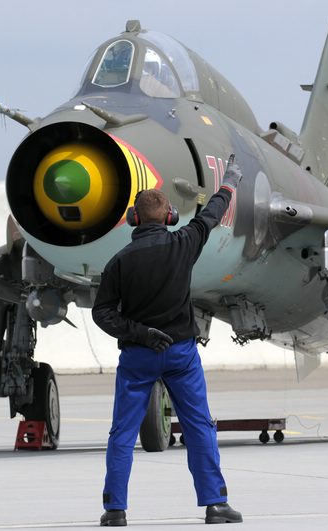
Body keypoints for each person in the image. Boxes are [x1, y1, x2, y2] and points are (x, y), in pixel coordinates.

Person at [92, 160, 244, 527]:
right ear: (170, 217)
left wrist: (140, 334)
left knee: (123, 433)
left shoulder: (119, 262)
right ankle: (215, 504)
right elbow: (211, 215)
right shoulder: (184, 242)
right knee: (198, 426)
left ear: (133, 219)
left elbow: (103, 314)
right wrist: (229, 184)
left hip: (138, 356)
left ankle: (115, 509)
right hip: (180, 354)